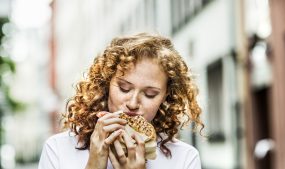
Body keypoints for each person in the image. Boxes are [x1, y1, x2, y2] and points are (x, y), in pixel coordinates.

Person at [38, 33, 204, 169]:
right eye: (124, 88)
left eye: (150, 94)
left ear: (166, 96)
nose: (132, 103)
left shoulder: (184, 159)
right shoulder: (58, 149)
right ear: (106, 84)